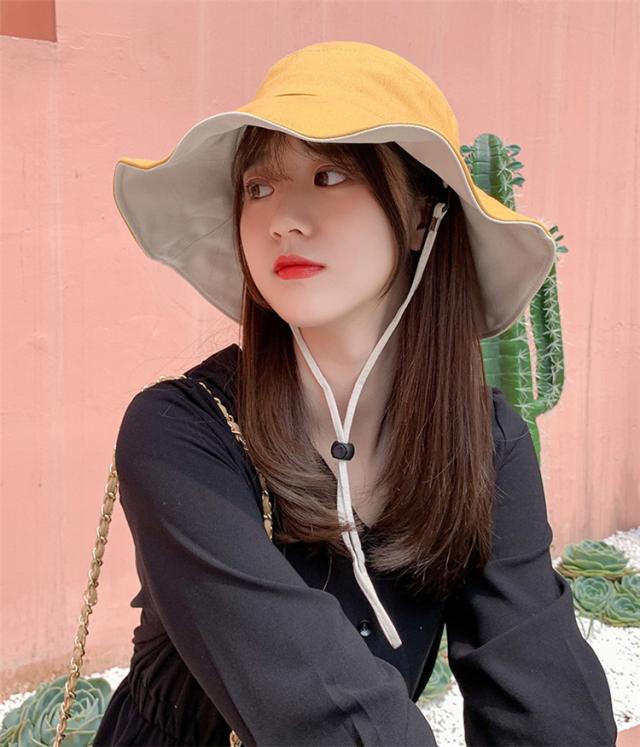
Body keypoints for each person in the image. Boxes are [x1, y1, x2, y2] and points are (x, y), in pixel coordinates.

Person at [93, 41, 617, 746]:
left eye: (330, 173)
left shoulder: (487, 445)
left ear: (422, 217)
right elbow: (319, 711)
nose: (282, 218)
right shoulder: (180, 433)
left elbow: (541, 689)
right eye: (258, 186)